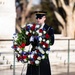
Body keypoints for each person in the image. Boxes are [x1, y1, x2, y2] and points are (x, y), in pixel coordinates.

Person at [26, 11, 55, 75]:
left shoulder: (49, 29)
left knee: (43, 71)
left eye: (40, 18)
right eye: (37, 18)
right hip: (33, 54)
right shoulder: (33, 28)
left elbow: (52, 42)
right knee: (32, 72)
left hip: (42, 54)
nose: (38, 19)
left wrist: (40, 39)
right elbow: (27, 42)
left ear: (44, 18)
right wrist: (28, 39)